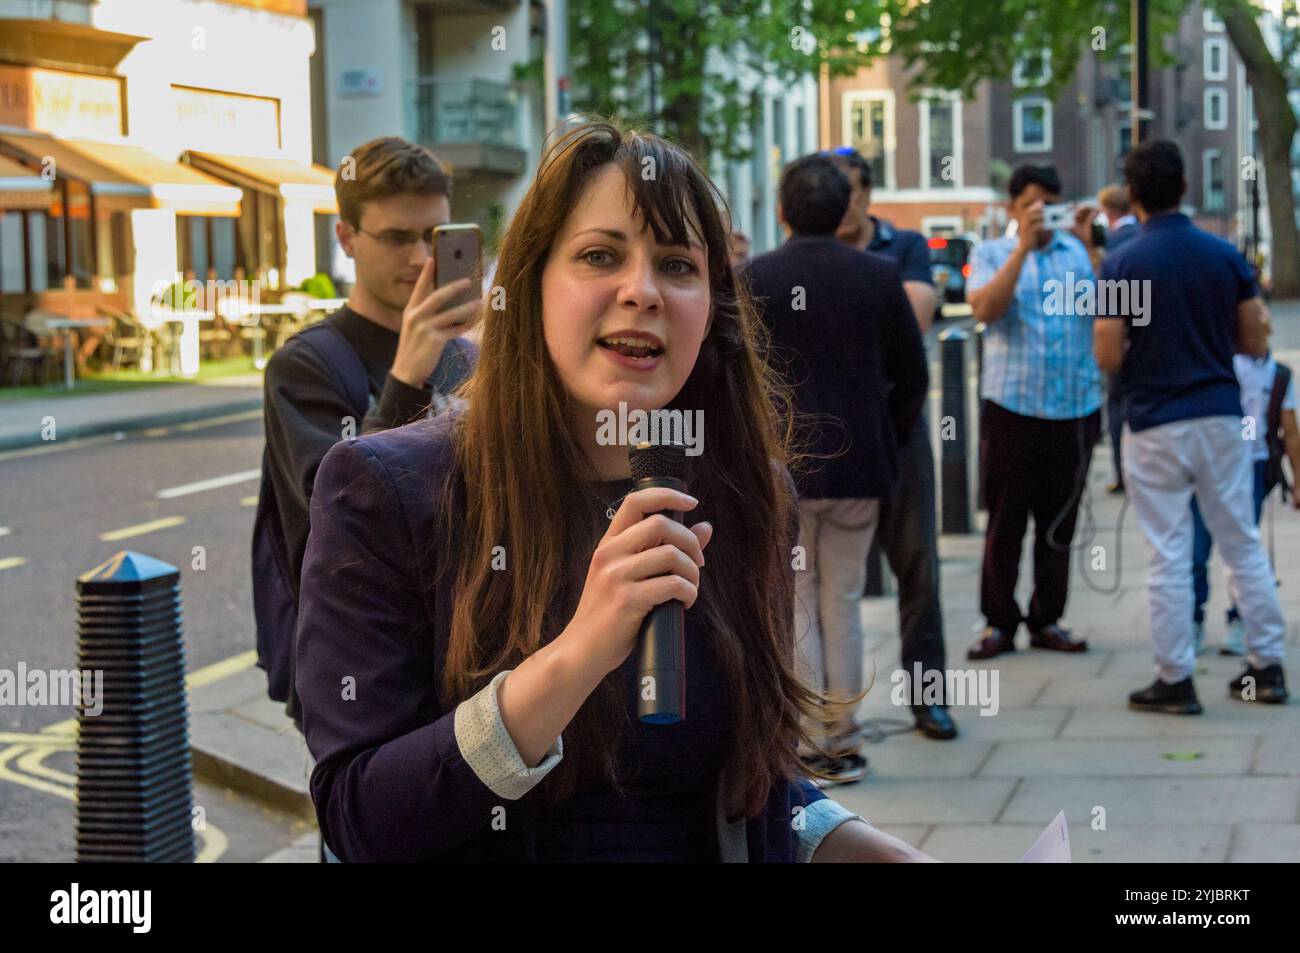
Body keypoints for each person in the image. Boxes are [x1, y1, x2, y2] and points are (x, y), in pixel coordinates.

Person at [293, 120, 935, 862]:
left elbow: (751, 785)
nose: (642, 291)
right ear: (529, 289)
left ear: (712, 311)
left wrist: (877, 850)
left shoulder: (749, 495)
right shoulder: (385, 492)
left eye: (677, 265)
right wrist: (577, 653)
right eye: (600, 256)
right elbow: (361, 816)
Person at [253, 136, 482, 731]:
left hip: (461, 648)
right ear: (347, 238)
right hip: (361, 667)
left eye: (432, 237)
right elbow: (340, 519)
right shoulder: (307, 365)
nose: (417, 259)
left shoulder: (464, 353)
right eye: (396, 238)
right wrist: (405, 379)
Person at [743, 154, 929, 784]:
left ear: (781, 210)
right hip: (859, 466)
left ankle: (807, 743)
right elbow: (914, 375)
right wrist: (889, 434)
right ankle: (841, 737)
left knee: (795, 601)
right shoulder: (879, 275)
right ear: (846, 206)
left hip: (784, 467)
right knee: (843, 598)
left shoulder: (755, 278)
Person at [1094, 139, 1288, 712]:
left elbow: (1107, 352)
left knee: (1169, 552)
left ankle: (1175, 679)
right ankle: (1267, 667)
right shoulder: (1223, 255)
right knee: (1242, 543)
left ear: (1133, 195)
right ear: (1184, 187)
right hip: (1221, 416)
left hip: (1154, 420)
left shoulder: (1123, 262)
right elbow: (1255, 339)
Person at [827, 148, 955, 741]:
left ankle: (928, 698)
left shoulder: (900, 248)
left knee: (918, 569)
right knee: (827, 584)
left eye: (851, 189)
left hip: (897, 430)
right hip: (830, 439)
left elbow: (918, 318)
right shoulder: (813, 254)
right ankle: (827, 715)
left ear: (868, 193)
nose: (844, 202)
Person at [966, 164, 1103, 660]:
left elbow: (1111, 315)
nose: (1043, 213)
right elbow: (984, 310)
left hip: (1074, 409)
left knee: (1059, 524)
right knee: (1005, 522)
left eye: (1051, 202)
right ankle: (998, 622)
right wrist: (1023, 247)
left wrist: (1093, 247)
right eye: (1032, 203)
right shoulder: (992, 252)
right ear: (1012, 209)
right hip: (1013, 408)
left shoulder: (1079, 255)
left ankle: (1048, 619)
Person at [1191, 329, 1300, 656]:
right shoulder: (1221, 364)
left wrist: (1298, 481)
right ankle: (1192, 617)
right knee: (1197, 546)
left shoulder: (1280, 375)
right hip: (1212, 464)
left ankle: (1241, 618)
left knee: (1242, 545)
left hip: (1253, 468)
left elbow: (1290, 431)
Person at [1097, 184, 1140, 494]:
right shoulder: (1146, 237)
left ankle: (1121, 472)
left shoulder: (1109, 246)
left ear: (1109, 212)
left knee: (1115, 406)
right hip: (1152, 336)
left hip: (1118, 335)